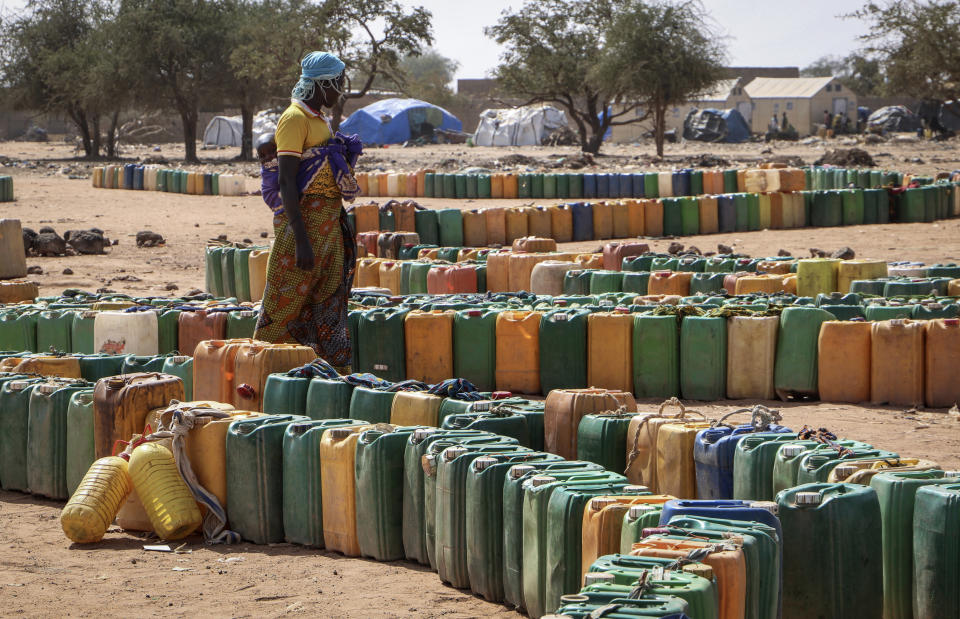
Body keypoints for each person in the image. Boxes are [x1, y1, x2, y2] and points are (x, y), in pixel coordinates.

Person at [253, 51, 362, 372]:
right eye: (337, 84)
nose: (339, 91)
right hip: (302, 230)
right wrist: (301, 238)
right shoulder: (294, 118)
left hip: (328, 227)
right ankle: (261, 371)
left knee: (328, 302)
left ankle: (330, 372)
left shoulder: (320, 120)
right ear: (322, 83)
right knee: (283, 301)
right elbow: (287, 180)